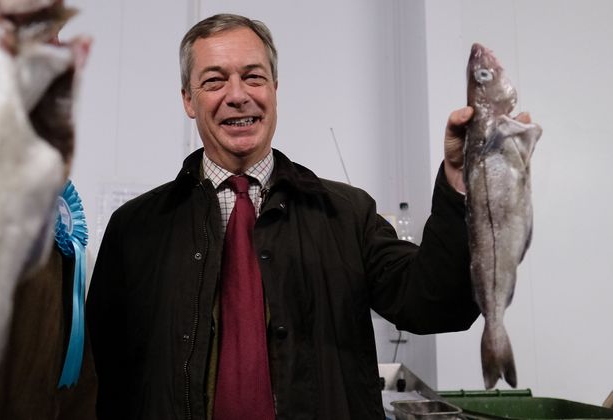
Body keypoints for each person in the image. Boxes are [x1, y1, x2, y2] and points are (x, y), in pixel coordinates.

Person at [87, 13, 531, 420]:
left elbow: (436, 305)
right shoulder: (135, 229)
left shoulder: (347, 214)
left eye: (253, 77)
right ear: (188, 99)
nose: (238, 96)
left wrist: (460, 181)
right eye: (215, 81)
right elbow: (102, 374)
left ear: (275, 89)